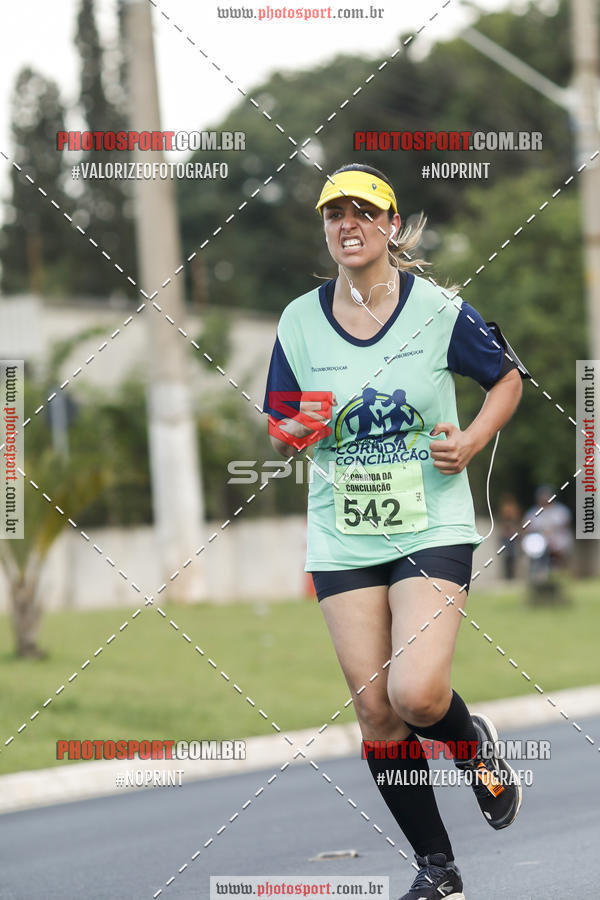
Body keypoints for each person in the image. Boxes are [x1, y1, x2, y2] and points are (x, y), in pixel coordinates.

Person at [263, 164, 526, 900]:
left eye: (362, 213)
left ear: (389, 224)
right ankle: (437, 868)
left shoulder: (439, 310)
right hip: (342, 535)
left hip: (430, 522)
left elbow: (507, 377)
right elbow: (281, 424)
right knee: (376, 712)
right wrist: (294, 431)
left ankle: (475, 752)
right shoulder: (297, 320)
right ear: (326, 230)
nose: (347, 224)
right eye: (333, 214)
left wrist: (472, 440)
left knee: (415, 692)